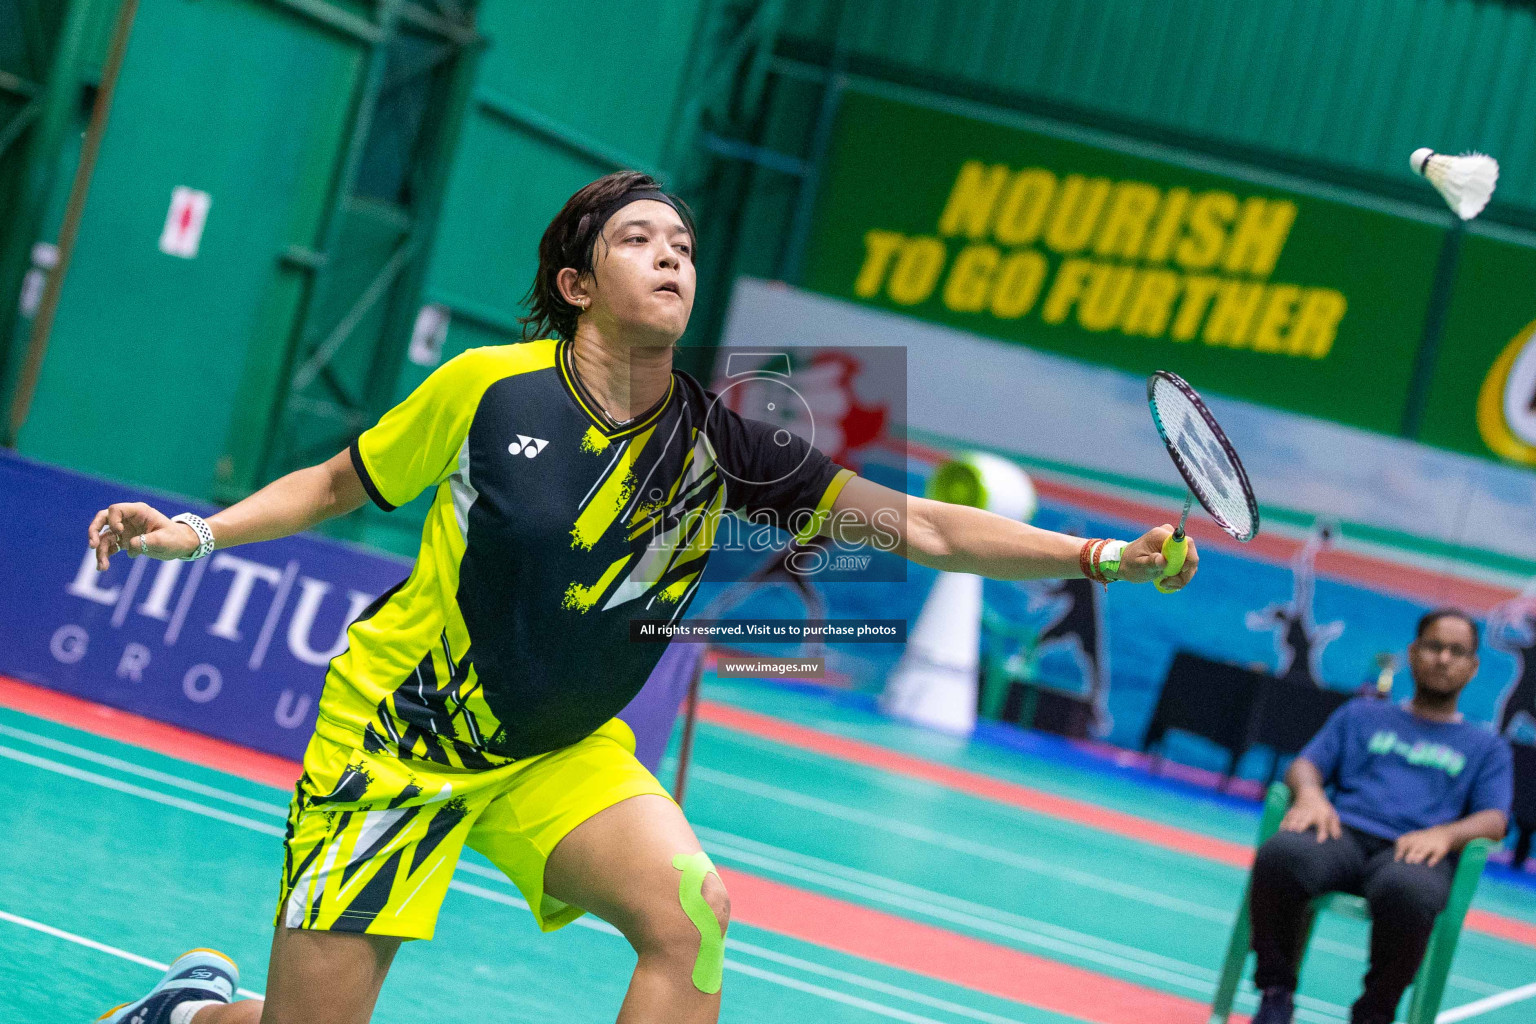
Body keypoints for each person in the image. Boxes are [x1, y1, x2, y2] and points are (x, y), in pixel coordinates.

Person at [86, 170, 1198, 1024]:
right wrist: (197, 531)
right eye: (639, 239)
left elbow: (926, 524)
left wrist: (1100, 556)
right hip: (400, 737)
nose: (672, 256)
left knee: (692, 919)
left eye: (683, 244)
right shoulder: (488, 387)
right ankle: (189, 1009)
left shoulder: (727, 443)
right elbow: (340, 480)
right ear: (577, 285)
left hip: (560, 752)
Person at [1248, 609, 1512, 1024]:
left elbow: (1495, 819)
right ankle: (1276, 993)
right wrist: (1312, 795)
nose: (1443, 658)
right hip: (1341, 832)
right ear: (1413, 652)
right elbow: (1305, 765)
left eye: (1456, 651)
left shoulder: (1487, 747)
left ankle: (1374, 1013)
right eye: (1434, 646)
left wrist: (1445, 835)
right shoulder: (1361, 715)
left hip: (1415, 852)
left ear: (1473, 666)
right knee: (1282, 855)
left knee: (1410, 893)